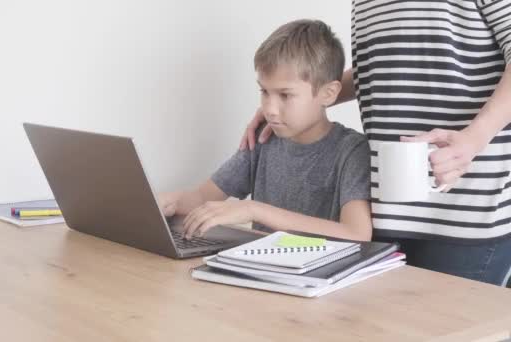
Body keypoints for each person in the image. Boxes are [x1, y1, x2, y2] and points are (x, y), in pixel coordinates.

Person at [241, 1, 511, 286]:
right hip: (389, 211)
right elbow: (384, 67)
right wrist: (293, 102)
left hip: (468, 214)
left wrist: (474, 139)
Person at [158, 19, 373, 241]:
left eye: (285, 95)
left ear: (328, 93)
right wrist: (161, 202)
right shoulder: (264, 138)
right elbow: (202, 196)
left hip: (318, 272)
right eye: (264, 91)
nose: (269, 109)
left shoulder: (352, 151)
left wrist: (254, 209)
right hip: (258, 268)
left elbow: (357, 233)